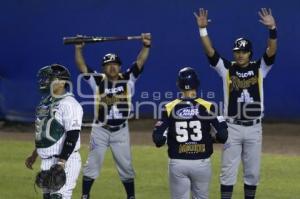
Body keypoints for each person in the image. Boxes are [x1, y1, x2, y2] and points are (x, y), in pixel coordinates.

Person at [194, 8, 277, 199]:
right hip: (232, 127)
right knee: (228, 172)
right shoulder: (227, 69)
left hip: (255, 128)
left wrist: (272, 28)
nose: (239, 55)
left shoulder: (260, 68)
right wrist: (203, 30)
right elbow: (210, 51)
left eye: (243, 51)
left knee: (253, 173)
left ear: (250, 53)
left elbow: (271, 50)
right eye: (237, 51)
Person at [74, 33, 151, 199]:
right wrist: (78, 49)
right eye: (108, 65)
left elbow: (140, 61)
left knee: (126, 166)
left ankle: (131, 197)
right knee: (92, 165)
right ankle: (85, 196)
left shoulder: (128, 79)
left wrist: (145, 46)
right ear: (103, 68)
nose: (112, 67)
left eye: (115, 64)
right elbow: (82, 66)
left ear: (120, 67)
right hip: (100, 130)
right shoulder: (98, 80)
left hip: (121, 131)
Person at [152, 67, 228, 199]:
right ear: (197, 84)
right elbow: (223, 135)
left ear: (178, 85)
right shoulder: (209, 106)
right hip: (201, 162)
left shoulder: (169, 107)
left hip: (178, 163)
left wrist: (167, 138)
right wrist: (210, 139)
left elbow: (158, 139)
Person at [25, 64, 83, 199]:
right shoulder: (45, 102)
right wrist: (35, 155)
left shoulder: (69, 104)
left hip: (65, 160)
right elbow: (43, 132)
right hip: (46, 161)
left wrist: (61, 162)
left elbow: (73, 135)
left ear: (62, 82)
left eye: (49, 78)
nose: (44, 81)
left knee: (59, 197)